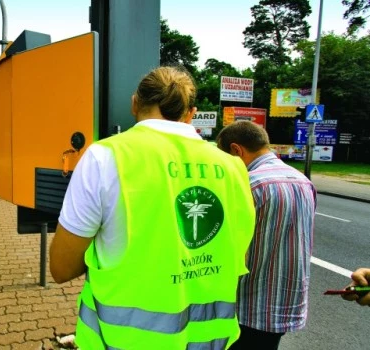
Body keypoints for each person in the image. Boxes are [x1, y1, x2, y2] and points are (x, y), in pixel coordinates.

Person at [49, 66, 257, 349]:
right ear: (191, 113)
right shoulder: (233, 167)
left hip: (123, 341)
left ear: (135, 103)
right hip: (209, 342)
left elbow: (61, 267)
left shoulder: (104, 157)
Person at [216, 121, 317, 349]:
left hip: (248, 305)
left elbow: (228, 247)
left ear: (236, 150)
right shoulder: (303, 182)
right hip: (286, 301)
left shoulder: (247, 185)